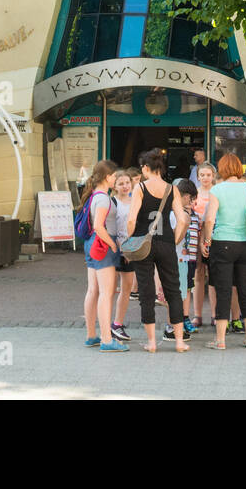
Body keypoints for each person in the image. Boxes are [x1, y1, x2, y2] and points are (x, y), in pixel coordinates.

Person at [126, 150, 189, 352]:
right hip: (166, 243)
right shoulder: (172, 189)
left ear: (145, 168)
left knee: (146, 291)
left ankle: (152, 342)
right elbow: (182, 220)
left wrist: (131, 241)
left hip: (144, 244)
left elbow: (131, 219)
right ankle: (179, 341)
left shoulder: (141, 187)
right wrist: (175, 240)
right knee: (173, 289)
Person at [201, 152, 246, 349]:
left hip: (223, 243)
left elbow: (209, 219)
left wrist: (207, 240)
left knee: (223, 291)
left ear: (223, 169)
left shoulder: (218, 190)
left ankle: (221, 340)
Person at [81, 160, 126, 351]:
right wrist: (112, 245)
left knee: (93, 291)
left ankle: (92, 335)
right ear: (108, 177)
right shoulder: (104, 198)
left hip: (92, 244)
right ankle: (107, 339)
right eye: (114, 176)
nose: (116, 179)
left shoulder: (94, 196)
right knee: (106, 293)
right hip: (102, 245)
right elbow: (99, 225)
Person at [164, 178, 201, 342]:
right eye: (191, 199)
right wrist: (184, 222)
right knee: (174, 295)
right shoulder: (173, 214)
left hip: (184, 260)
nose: (192, 203)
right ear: (184, 197)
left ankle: (176, 326)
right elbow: (174, 239)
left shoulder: (183, 214)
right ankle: (170, 327)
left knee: (181, 294)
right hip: (175, 259)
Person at [110, 168, 137, 342]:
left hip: (130, 250)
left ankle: (117, 324)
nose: (125, 186)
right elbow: (110, 229)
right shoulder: (112, 202)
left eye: (127, 182)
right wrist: (122, 248)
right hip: (114, 250)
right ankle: (107, 324)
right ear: (115, 186)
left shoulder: (135, 200)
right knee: (109, 289)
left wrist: (131, 248)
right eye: (121, 183)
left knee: (126, 288)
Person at [190, 161, 217, 327]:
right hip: (196, 238)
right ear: (198, 177)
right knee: (198, 277)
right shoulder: (195, 194)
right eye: (202, 175)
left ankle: (215, 314)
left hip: (214, 238)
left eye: (208, 175)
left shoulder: (217, 193)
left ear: (213, 176)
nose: (205, 178)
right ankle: (197, 315)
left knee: (213, 277)